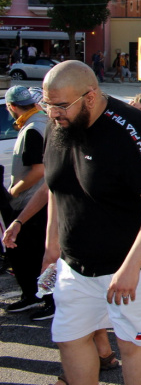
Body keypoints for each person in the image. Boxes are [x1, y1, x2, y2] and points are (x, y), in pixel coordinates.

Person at [39, 61, 141, 382]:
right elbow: (56, 188)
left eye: (60, 105)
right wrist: (51, 245)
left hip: (135, 264)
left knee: (131, 344)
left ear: (89, 97)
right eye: (47, 104)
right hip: (76, 264)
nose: (52, 113)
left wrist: (131, 266)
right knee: (69, 337)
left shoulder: (130, 129)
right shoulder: (58, 124)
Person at [2, 87, 52, 319]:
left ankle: (47, 300)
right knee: (33, 254)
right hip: (39, 199)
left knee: (36, 254)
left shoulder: (33, 128)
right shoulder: (41, 121)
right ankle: (33, 296)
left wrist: (13, 191)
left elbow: (38, 170)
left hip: (33, 201)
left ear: (11, 107)